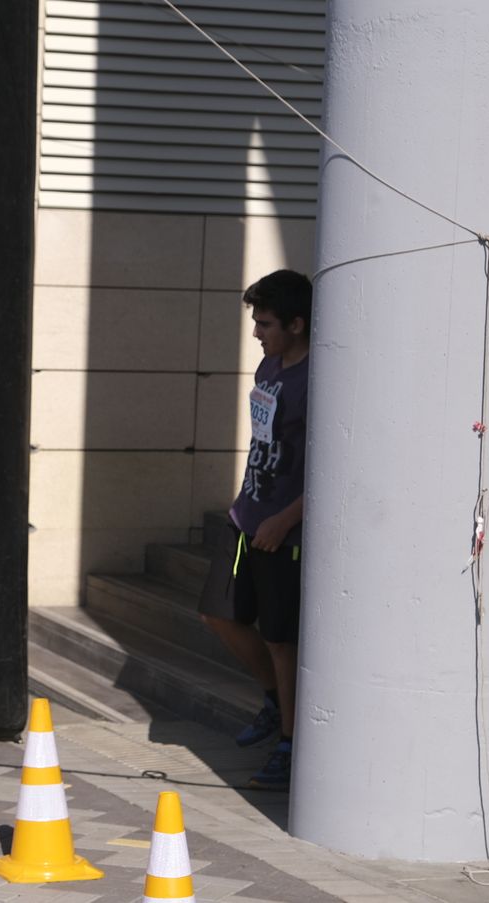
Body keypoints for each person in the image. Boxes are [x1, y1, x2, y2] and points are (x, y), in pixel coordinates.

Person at [197, 269, 311, 790]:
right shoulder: (270, 364)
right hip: (246, 513)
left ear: (298, 323)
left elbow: (332, 465)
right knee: (218, 613)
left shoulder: (320, 379)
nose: (256, 333)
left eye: (264, 323)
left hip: (281, 529)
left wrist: (286, 520)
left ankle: (289, 743)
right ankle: (272, 702)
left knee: (280, 640)